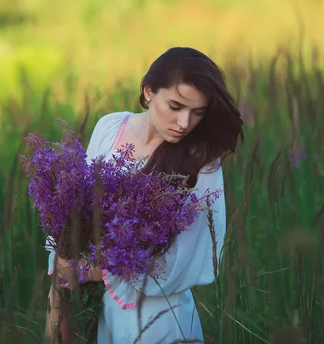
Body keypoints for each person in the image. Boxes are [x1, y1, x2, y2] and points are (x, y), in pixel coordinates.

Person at [45, 47, 244, 344]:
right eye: (175, 106)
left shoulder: (202, 161)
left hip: (160, 318)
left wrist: (94, 271)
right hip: (104, 311)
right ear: (149, 91)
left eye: (197, 112)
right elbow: (76, 208)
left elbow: (193, 257)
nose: (185, 123)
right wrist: (59, 269)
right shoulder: (111, 127)